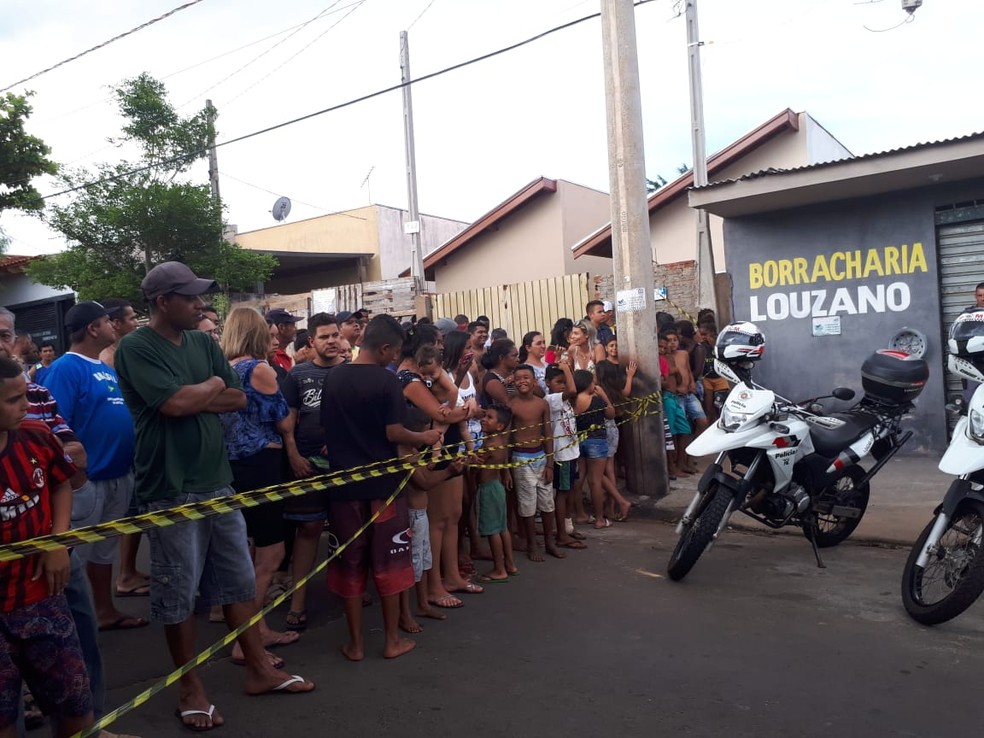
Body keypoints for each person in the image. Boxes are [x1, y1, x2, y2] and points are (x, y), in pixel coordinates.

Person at [116, 262, 313, 732]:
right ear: (163, 302)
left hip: (216, 478)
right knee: (177, 593)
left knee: (238, 580)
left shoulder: (204, 342)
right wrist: (207, 388)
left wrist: (197, 393)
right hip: (171, 486)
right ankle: (191, 688)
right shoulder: (136, 347)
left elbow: (237, 399)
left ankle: (259, 668)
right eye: (191, 298)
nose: (201, 305)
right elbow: (174, 404)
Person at [320, 314, 442, 661]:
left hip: (344, 488)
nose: (395, 358)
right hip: (385, 489)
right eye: (396, 351)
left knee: (351, 564)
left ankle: (355, 644)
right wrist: (424, 436)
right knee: (390, 563)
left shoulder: (335, 377)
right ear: (385, 347)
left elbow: (327, 428)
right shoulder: (387, 382)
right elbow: (394, 433)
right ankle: (391, 640)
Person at [0, 356, 95, 738]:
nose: (25, 405)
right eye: (12, 400)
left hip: (42, 594)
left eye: (24, 395)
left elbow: (60, 482)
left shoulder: (36, 435)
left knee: (74, 703)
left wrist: (57, 541)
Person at [42, 302, 148, 633]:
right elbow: (52, 426)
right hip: (87, 481)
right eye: (106, 322)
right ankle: (58, 621)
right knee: (69, 553)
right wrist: (78, 479)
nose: (113, 326)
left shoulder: (103, 366)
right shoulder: (66, 368)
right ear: (92, 328)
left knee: (103, 550)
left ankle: (104, 611)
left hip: (117, 475)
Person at [218, 307, 298, 662]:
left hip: (234, 467)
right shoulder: (259, 368)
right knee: (271, 553)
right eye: (267, 329)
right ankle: (246, 641)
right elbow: (284, 419)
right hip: (262, 463)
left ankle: (258, 629)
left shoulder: (224, 369)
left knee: (250, 552)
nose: (274, 334)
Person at [396, 324, 480, 609]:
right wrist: (467, 411)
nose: (442, 347)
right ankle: (434, 585)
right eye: (438, 342)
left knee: (453, 515)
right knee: (438, 518)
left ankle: (452, 575)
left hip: (450, 440)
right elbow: (438, 411)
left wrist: (462, 410)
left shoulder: (430, 374)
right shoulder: (409, 378)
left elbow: (450, 402)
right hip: (432, 446)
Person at [279, 312, 344, 631]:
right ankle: (298, 601)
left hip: (346, 467)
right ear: (312, 342)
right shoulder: (297, 375)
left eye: (335, 335)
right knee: (308, 531)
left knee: (348, 529)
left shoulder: (351, 373)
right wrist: (292, 454)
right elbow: (288, 420)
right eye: (324, 336)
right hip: (305, 465)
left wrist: (341, 441)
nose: (332, 341)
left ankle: (350, 590)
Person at [396, 408, 463, 634]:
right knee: (411, 565)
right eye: (426, 432)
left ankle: (423, 603)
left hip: (421, 513)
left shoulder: (416, 450)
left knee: (423, 562)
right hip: (412, 515)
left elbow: (426, 473)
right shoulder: (404, 451)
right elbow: (423, 482)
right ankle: (404, 613)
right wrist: (449, 471)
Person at [509, 364, 561, 561]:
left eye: (526, 377)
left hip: (540, 456)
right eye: (518, 378)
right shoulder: (511, 405)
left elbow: (547, 433)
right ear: (513, 382)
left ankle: (549, 541)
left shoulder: (542, 404)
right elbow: (507, 438)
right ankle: (532, 543)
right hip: (520, 459)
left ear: (534, 381)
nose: (522, 381)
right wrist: (506, 469)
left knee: (547, 502)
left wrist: (550, 463)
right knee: (527, 505)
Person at [573, 369, 625, 529]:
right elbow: (610, 414)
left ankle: (580, 514)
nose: (594, 385)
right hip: (596, 440)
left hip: (577, 442)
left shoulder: (572, 400)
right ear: (587, 384)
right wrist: (604, 397)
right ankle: (600, 519)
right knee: (595, 481)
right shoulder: (595, 400)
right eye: (592, 382)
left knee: (579, 479)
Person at [544, 360, 586, 550]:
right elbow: (572, 390)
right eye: (558, 382)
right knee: (561, 494)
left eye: (564, 381)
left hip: (571, 451)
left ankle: (567, 528)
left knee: (568, 492)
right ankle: (560, 533)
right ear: (547, 383)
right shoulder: (551, 400)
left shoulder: (566, 401)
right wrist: (567, 369)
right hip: (561, 455)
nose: (563, 385)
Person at [474, 404, 518, 582]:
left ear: (500, 426)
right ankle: (510, 564)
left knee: (493, 530)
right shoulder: (500, 441)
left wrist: (470, 458)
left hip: (488, 489)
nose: (483, 419)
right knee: (502, 528)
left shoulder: (490, 445)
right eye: (484, 416)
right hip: (497, 486)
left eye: (489, 417)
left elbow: (477, 464)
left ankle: (499, 570)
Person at [664, 327, 709, 473]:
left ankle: (690, 457)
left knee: (703, 422)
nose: (672, 343)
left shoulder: (683, 353)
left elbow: (688, 370)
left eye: (675, 340)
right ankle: (680, 461)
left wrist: (691, 383)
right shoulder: (664, 358)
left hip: (689, 394)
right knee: (680, 431)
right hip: (676, 397)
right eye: (669, 341)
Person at [659, 331, 690, 477]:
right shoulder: (657, 360)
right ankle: (671, 468)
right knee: (669, 434)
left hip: (674, 396)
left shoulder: (668, 359)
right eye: (660, 347)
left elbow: (676, 379)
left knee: (684, 429)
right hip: (666, 398)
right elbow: (660, 381)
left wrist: (675, 372)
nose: (663, 349)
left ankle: (680, 463)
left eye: (664, 347)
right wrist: (672, 373)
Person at [265, 308, 303, 372]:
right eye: (293, 326)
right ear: (281, 327)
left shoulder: (283, 355)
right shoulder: (271, 357)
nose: (296, 329)